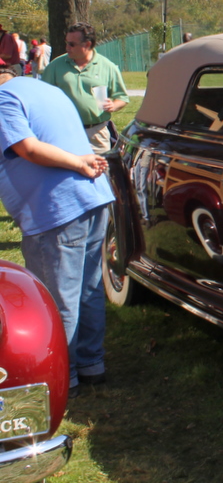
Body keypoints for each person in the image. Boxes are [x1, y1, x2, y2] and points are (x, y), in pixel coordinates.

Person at [0, 69, 115, 399]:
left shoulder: (4, 100)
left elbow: (29, 148)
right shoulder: (43, 89)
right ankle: (91, 365)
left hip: (56, 209)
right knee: (88, 290)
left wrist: (79, 165)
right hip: (92, 198)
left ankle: (62, 379)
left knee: (55, 298)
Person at [42, 22, 129, 154]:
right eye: (66, 43)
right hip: (64, 132)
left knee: (99, 172)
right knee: (66, 172)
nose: (67, 47)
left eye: (72, 44)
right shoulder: (55, 66)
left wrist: (114, 105)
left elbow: (122, 97)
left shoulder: (107, 67)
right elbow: (41, 96)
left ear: (87, 44)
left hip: (96, 133)